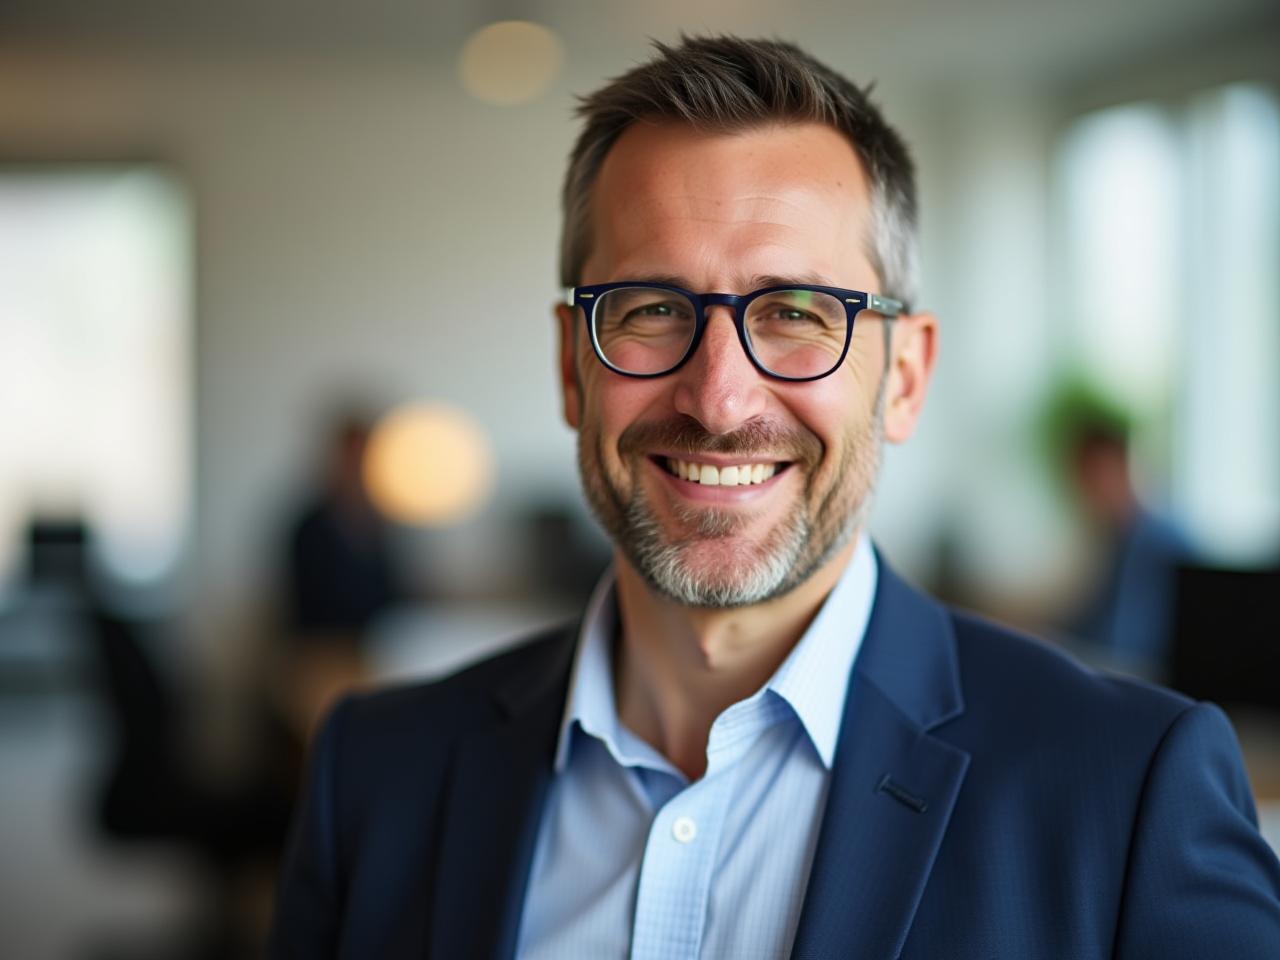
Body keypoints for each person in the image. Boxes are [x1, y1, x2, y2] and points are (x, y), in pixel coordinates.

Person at [270, 36, 1280, 958]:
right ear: (571, 366)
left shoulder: (1127, 790)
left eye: (797, 312)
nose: (717, 399)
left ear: (904, 378)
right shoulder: (374, 774)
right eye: (651, 309)